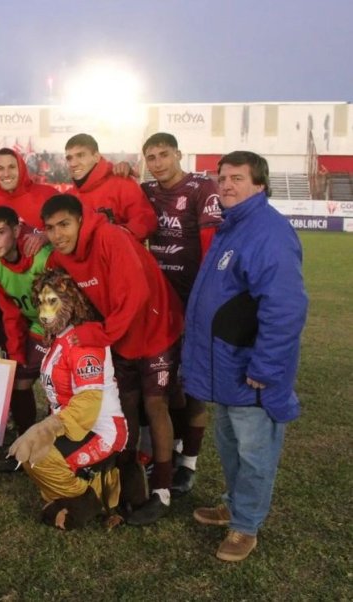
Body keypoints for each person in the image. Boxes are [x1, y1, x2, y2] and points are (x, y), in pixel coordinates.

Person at [183, 151, 307, 562]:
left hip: (250, 369)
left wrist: (266, 367)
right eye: (222, 178)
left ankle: (245, 525)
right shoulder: (232, 227)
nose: (227, 186)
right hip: (227, 365)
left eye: (237, 178)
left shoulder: (268, 231)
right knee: (233, 444)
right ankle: (235, 506)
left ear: (260, 184)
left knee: (254, 451)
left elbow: (285, 307)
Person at [42, 194, 183, 525]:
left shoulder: (110, 237)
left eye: (64, 224)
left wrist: (98, 335)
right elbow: (51, 288)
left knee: (155, 405)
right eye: (49, 228)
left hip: (156, 328)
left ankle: (162, 491)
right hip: (120, 337)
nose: (58, 234)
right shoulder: (59, 257)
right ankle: (124, 485)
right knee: (125, 407)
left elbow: (136, 297)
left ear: (81, 220)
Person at [8, 268, 127, 530]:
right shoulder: (61, 336)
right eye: (41, 301)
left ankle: (88, 498)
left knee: (38, 457)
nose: (43, 311)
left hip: (100, 428)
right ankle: (71, 496)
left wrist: (47, 428)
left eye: (52, 301)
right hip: (73, 423)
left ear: (73, 301)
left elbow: (88, 402)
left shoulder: (84, 340)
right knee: (31, 454)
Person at [140, 132, 224, 496]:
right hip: (159, 305)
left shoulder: (202, 189)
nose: (157, 162)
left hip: (194, 302)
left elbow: (211, 247)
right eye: (151, 157)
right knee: (163, 383)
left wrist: (205, 303)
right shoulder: (146, 191)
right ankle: (172, 448)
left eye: (163, 155)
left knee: (192, 388)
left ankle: (189, 462)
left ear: (178, 154)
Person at [0, 206, 51, 469]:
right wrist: (16, 349)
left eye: (0, 233)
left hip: (59, 328)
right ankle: (24, 447)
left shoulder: (41, 257)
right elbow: (9, 310)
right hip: (33, 328)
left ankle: (53, 451)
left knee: (57, 390)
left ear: (16, 230)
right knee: (19, 383)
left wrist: (53, 335)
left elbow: (61, 298)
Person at [64, 133, 156, 242]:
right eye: (69, 158)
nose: (73, 163)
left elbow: (146, 220)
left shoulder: (122, 183)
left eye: (80, 155)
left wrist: (115, 236)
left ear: (96, 157)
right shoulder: (68, 197)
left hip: (120, 256)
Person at [0, 147, 59, 232]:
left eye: (12, 167)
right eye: (0, 168)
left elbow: (67, 227)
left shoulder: (48, 194)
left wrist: (46, 236)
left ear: (21, 168)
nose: (6, 174)